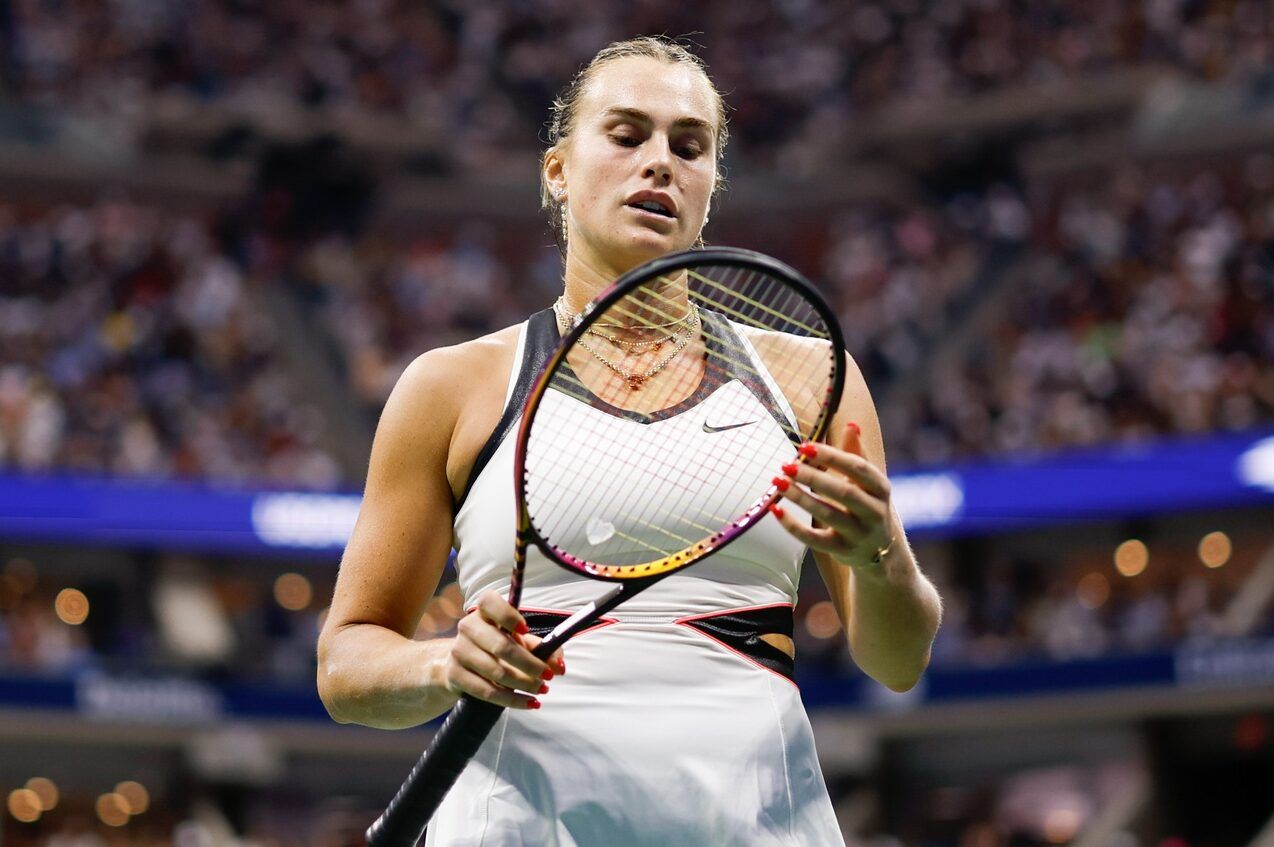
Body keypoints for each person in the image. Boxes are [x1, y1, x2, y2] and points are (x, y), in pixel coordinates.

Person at [317, 36, 942, 847]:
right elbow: (346, 663)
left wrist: (880, 554)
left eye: (690, 146)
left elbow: (898, 661)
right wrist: (443, 664)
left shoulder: (810, 376)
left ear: (711, 187)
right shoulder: (451, 387)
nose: (659, 163)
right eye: (625, 134)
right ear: (556, 170)